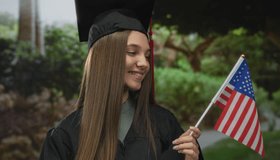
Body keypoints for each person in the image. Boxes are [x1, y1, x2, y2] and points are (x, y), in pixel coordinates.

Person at [39, 0, 204, 159]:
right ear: (105, 58)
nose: (144, 63)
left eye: (147, 55)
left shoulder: (163, 123)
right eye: (132, 52)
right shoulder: (65, 136)